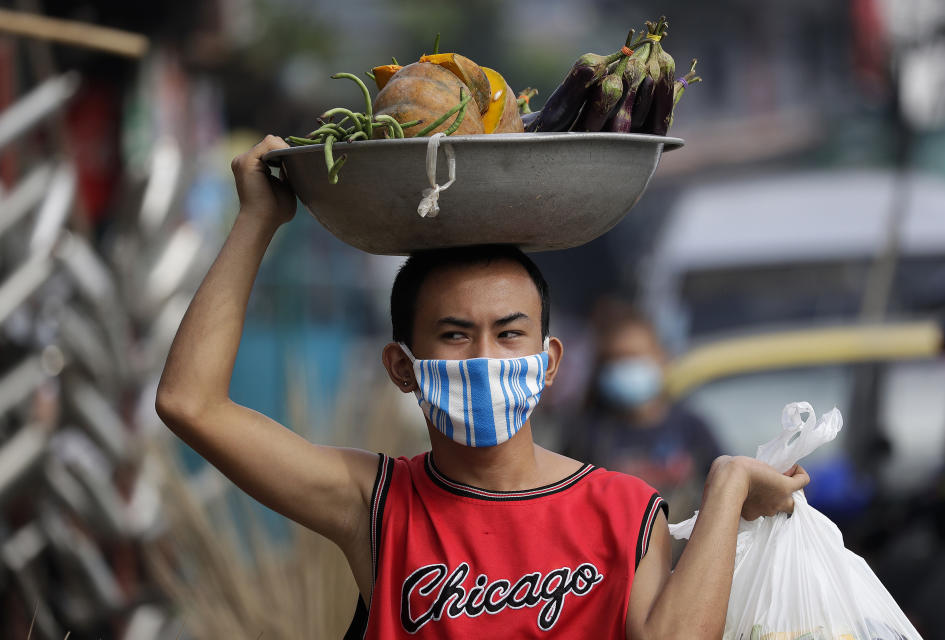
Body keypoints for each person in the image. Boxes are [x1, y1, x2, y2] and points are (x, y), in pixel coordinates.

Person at [155, 136, 809, 638]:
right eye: (456, 334)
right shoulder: (374, 503)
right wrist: (255, 221)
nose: (485, 357)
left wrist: (726, 487)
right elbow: (190, 403)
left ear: (550, 361)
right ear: (402, 367)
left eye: (509, 332)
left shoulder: (625, 512)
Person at [569, 304, 723, 520]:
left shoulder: (692, 427)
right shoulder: (589, 434)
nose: (625, 366)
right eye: (616, 359)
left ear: (660, 357)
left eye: (634, 356)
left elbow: (721, 490)